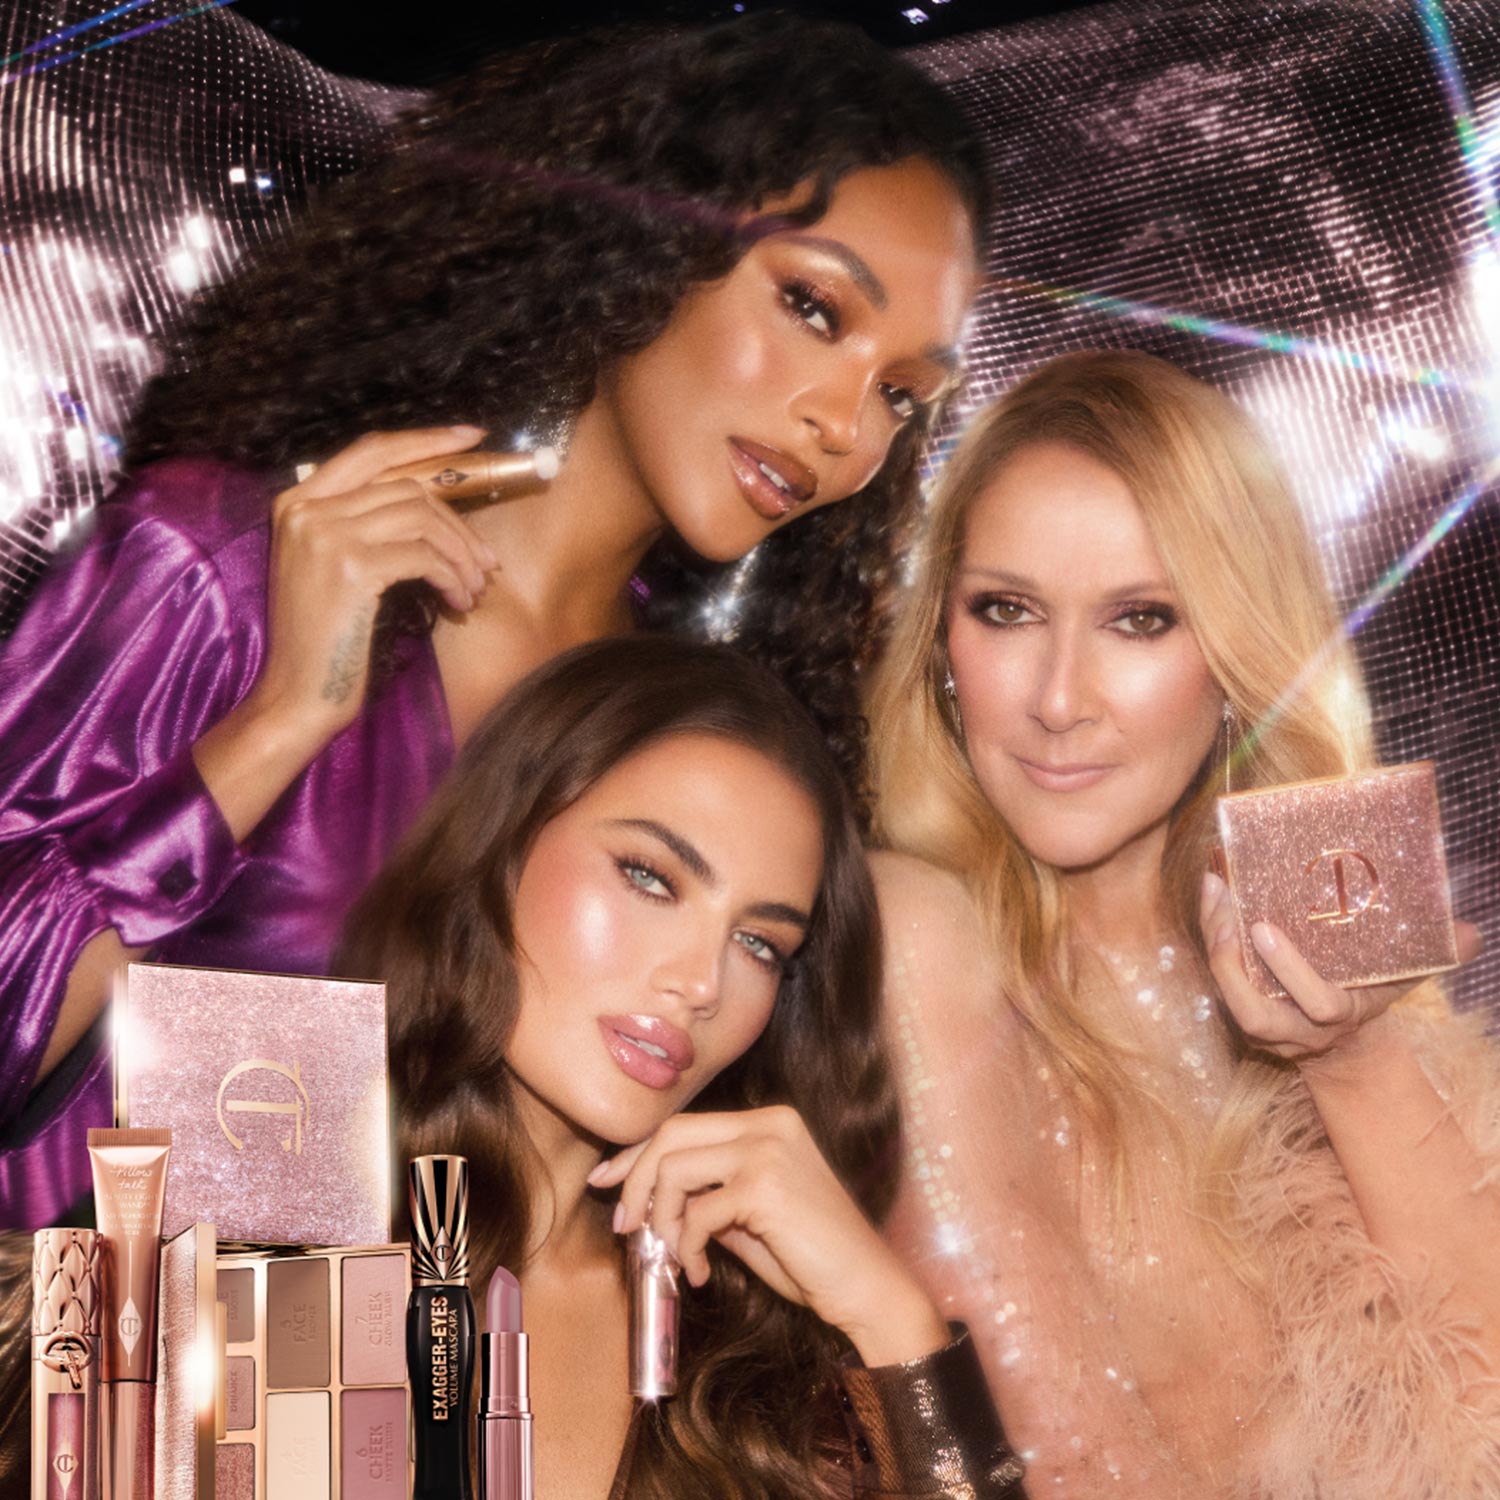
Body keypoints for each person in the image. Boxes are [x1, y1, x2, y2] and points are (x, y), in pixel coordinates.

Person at [0, 13, 984, 1224]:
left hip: (407, 1400)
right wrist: (282, 723)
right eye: (817, 310)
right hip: (73, 1374)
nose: (846, 426)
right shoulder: (222, 559)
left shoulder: (692, 750)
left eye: (901, 393)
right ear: (648, 231)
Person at [866, 349, 1500, 1498]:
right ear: (943, 647)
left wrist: (1356, 1063)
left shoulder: (1322, 961)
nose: (1059, 700)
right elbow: (1053, 1457)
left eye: (1140, 620)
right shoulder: (912, 936)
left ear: (1233, 656)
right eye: (1005, 611)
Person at [340, 634, 1024, 1500]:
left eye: (759, 944)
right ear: (498, 842)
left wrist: (895, 1324)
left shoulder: (751, 1353)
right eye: (650, 877)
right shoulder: (276, 1201)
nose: (701, 984)